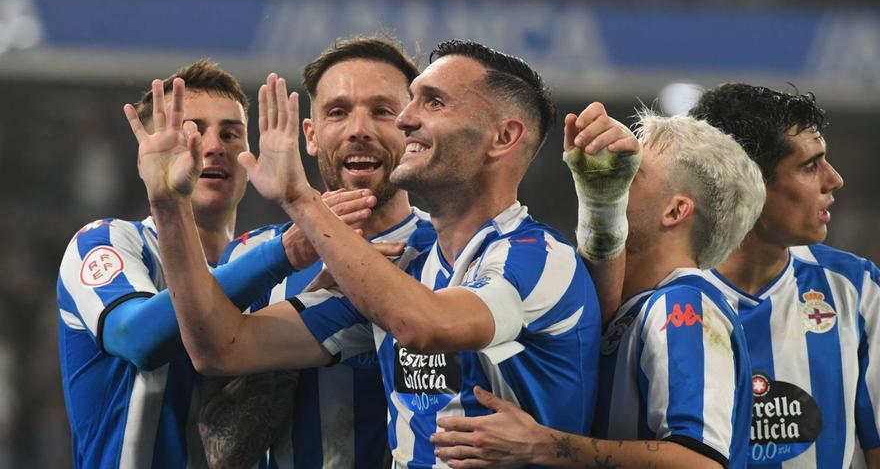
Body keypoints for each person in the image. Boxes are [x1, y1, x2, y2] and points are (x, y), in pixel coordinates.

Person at [136, 39, 604, 469]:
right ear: (311, 132)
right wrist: (169, 205)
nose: (403, 120)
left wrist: (301, 201)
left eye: (428, 103)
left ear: (503, 137)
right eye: (338, 112)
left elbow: (423, 325)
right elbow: (221, 348)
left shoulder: (538, 256)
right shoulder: (398, 267)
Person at [56, 60, 376, 468]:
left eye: (230, 133)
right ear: (144, 160)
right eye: (188, 131)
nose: (212, 147)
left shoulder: (268, 265)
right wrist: (284, 255)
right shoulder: (107, 242)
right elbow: (137, 338)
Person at [431, 110, 766, 468]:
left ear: (675, 211)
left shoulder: (684, 305)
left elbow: (701, 463)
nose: (613, 176)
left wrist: (542, 445)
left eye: (632, 172)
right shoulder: (626, 305)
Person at [208, 36, 424, 468]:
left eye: (382, 111)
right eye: (337, 112)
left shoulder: (453, 253)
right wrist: (308, 309)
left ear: (413, 130)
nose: (358, 129)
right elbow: (226, 454)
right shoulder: (250, 259)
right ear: (311, 134)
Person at [690, 83, 880, 468]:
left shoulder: (858, 291)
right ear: (746, 184)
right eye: (810, 166)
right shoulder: (667, 299)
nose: (834, 179)